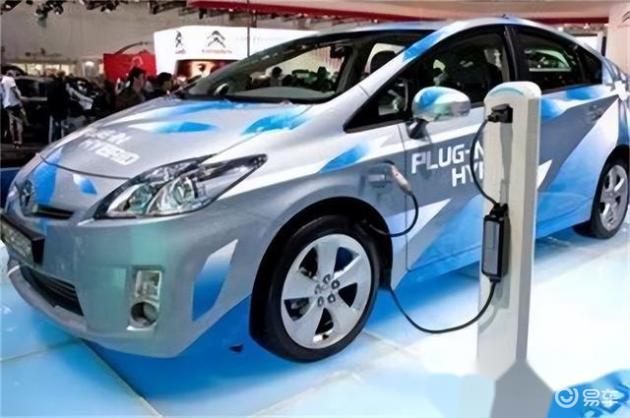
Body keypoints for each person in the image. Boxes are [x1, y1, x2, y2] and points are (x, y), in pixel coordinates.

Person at [0, 70, 26, 148]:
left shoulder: (2, 81)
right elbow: (14, 91)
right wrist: (21, 98)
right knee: (19, 122)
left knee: (11, 123)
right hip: (15, 103)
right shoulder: (10, 79)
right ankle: (19, 141)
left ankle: (14, 141)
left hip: (7, 104)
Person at [47, 71, 70, 142]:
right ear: (63, 76)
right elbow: (64, 98)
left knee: (54, 125)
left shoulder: (51, 84)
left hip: (53, 108)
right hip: (60, 108)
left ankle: (52, 140)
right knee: (61, 126)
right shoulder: (62, 85)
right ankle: (60, 140)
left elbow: (49, 96)